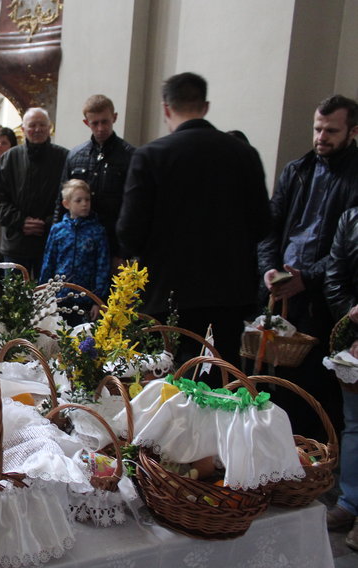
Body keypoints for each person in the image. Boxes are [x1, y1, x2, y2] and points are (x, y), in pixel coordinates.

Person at [117, 72, 271, 369]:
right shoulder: (243, 153)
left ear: (165, 109)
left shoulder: (151, 156)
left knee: (169, 381)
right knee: (222, 382)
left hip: (168, 294)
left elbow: (129, 234)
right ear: (205, 106)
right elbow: (263, 224)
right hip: (230, 292)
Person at [258, 93, 358, 439]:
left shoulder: (354, 175)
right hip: (282, 287)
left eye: (331, 130)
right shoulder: (296, 170)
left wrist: (309, 278)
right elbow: (269, 228)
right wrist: (269, 268)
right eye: (317, 129)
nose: (321, 137)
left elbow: (347, 249)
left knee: (313, 387)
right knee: (273, 382)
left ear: (352, 132)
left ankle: (308, 458)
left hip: (323, 295)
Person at [0, 107, 68, 279]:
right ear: (23, 129)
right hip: (16, 242)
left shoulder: (64, 157)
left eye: (42, 125)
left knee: (49, 300)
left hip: (51, 239)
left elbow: (69, 200)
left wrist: (48, 223)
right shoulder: (9, 158)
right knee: (15, 301)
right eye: (32, 125)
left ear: (50, 128)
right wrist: (21, 221)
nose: (37, 129)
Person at [60, 94, 135, 261]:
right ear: (87, 123)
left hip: (113, 244)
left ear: (114, 118)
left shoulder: (130, 156)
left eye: (105, 121)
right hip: (77, 244)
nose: (100, 128)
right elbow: (62, 201)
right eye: (95, 123)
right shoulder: (75, 156)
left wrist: (123, 253)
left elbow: (134, 208)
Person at [325, 207, 358, 546]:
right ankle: (349, 502)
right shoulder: (351, 218)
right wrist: (351, 313)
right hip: (356, 342)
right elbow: (336, 275)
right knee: (355, 426)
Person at [40, 180, 110, 320]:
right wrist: (43, 295)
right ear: (66, 204)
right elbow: (48, 262)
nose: (84, 204)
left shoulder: (97, 231)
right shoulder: (57, 230)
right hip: (59, 297)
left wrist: (98, 301)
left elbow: (102, 268)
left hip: (86, 300)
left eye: (87, 199)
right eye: (78, 200)